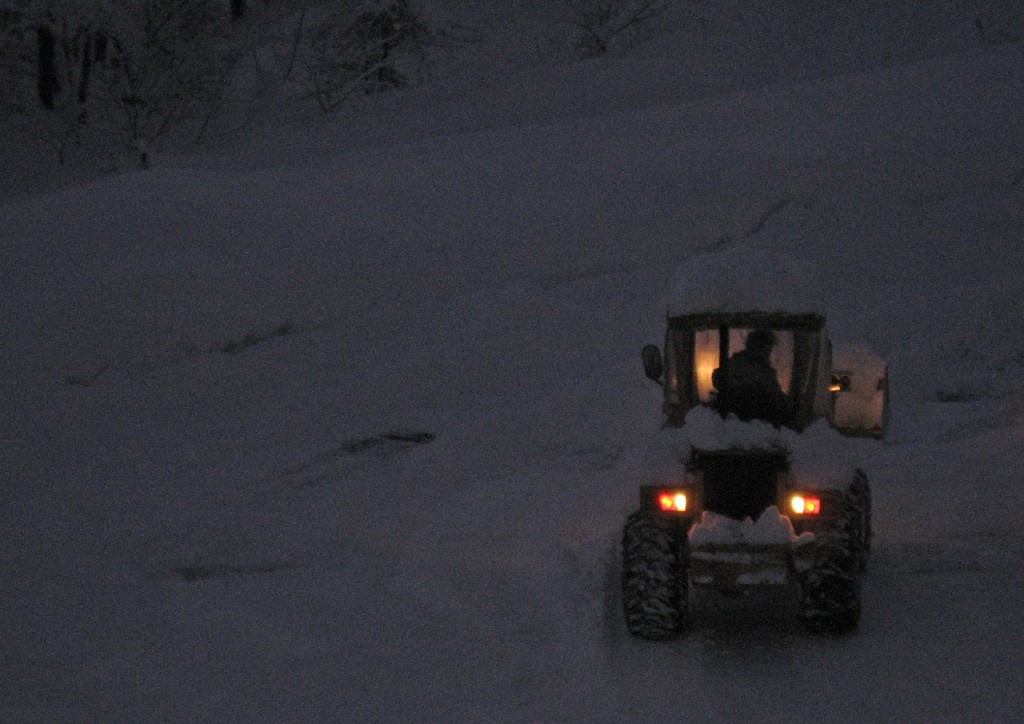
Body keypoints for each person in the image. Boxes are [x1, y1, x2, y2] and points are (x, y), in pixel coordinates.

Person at [714, 329, 789, 425]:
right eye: (768, 349)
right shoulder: (764, 372)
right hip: (757, 425)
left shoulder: (735, 363)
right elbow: (777, 399)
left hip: (732, 423)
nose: (769, 353)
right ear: (760, 347)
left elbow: (717, 378)